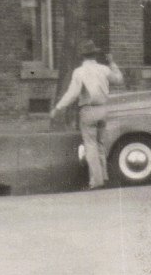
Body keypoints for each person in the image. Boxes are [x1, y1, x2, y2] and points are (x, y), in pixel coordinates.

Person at [50, 42, 124, 188]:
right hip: (103, 109)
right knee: (100, 143)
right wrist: (112, 63)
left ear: (82, 56)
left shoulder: (79, 72)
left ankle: (96, 181)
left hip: (88, 110)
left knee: (90, 145)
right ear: (95, 55)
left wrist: (58, 108)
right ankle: (104, 176)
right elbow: (119, 80)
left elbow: (73, 93)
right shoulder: (104, 69)